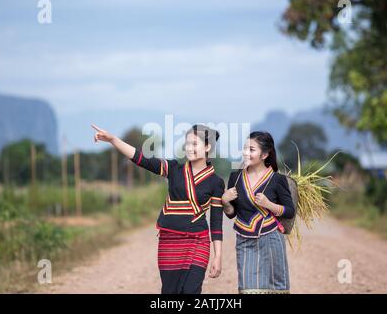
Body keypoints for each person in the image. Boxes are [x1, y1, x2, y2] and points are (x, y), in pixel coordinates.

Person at [92, 123, 225, 294]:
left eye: (194, 144)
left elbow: (216, 222)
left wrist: (218, 256)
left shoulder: (216, 182)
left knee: (191, 290)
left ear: (207, 147)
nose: (189, 148)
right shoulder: (174, 169)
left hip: (197, 242)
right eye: (187, 143)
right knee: (170, 292)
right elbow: (142, 159)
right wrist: (113, 140)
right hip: (169, 242)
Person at [222, 131, 295, 294]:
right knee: (247, 288)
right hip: (243, 239)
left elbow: (289, 211)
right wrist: (225, 202)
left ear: (265, 154)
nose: (246, 153)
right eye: (245, 148)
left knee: (275, 288)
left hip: (271, 238)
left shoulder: (277, 180)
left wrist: (269, 204)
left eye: (251, 149)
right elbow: (231, 214)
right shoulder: (235, 177)